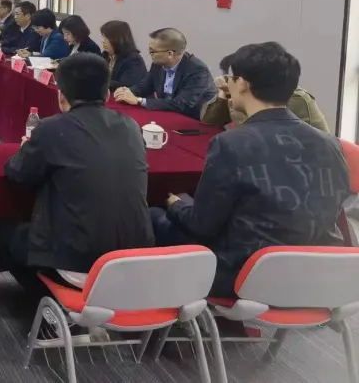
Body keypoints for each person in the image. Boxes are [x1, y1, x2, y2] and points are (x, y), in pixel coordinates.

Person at [151, 42, 349, 296]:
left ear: (242, 83)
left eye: (231, 78)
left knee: (155, 215)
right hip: (321, 275)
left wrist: (175, 204)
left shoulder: (231, 144)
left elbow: (202, 226)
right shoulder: (330, 144)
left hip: (246, 274)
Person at [0, 53, 153, 297]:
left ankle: (47, 303)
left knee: (1, 232)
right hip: (134, 259)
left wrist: (27, 149)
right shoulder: (131, 126)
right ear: (107, 95)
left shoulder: (52, 128)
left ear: (61, 95)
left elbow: (18, 173)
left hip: (77, 264)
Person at [201, 51, 330, 131]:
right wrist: (223, 94)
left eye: (231, 77)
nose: (226, 80)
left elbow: (259, 132)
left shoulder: (292, 98)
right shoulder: (245, 93)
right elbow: (210, 121)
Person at [113, 28, 216, 119]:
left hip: (193, 120)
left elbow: (181, 104)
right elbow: (145, 86)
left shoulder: (197, 70)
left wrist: (139, 101)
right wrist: (127, 91)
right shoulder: (158, 64)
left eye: (153, 51)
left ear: (170, 54)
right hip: (167, 114)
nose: (150, 54)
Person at [99, 20, 148, 91]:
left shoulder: (133, 59)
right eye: (103, 37)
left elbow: (126, 85)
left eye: (106, 38)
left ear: (118, 39)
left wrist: (99, 82)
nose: (103, 41)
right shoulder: (105, 55)